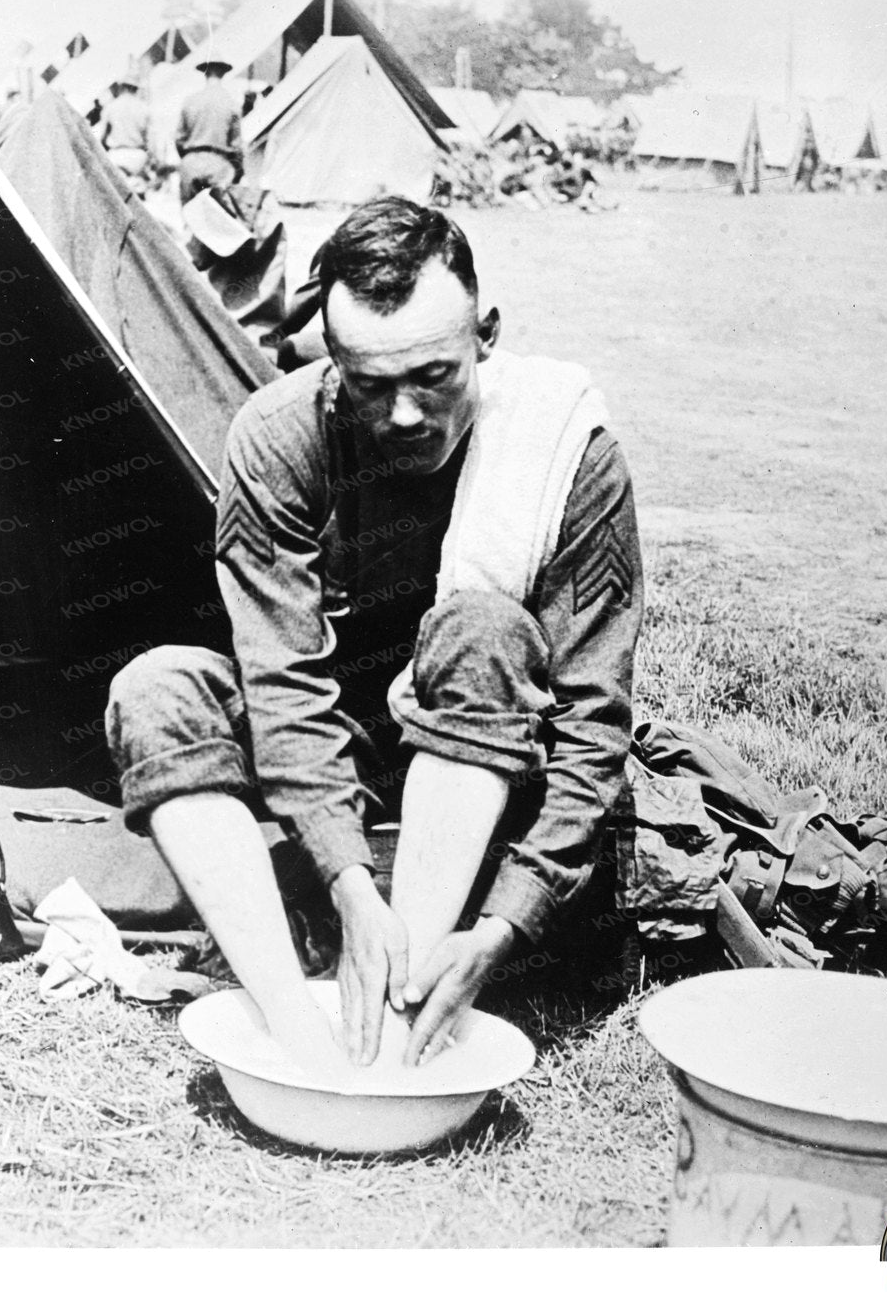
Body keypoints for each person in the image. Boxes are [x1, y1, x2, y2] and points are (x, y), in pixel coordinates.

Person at [106, 197, 641, 1075]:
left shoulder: (564, 454)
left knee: (486, 628)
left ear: (487, 337)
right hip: (336, 751)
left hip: (488, 750)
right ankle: (295, 1031)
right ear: (332, 362)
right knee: (156, 688)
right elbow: (282, 684)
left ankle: (401, 1008)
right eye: (369, 385)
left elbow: (591, 721)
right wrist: (350, 880)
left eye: (432, 376)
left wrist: (508, 924)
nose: (401, 415)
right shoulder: (279, 440)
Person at [174, 52, 243, 205]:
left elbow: (178, 139)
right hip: (219, 164)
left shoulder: (190, 101)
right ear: (223, 73)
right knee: (217, 218)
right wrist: (238, 172)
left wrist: (189, 157)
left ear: (205, 72)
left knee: (190, 215)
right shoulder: (232, 103)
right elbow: (237, 147)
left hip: (191, 163)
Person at [98, 71, 154, 196]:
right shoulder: (144, 108)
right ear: (136, 89)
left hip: (117, 156)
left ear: (122, 87)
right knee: (139, 199)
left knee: (116, 197)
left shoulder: (111, 107)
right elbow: (151, 141)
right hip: (139, 157)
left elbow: (102, 137)